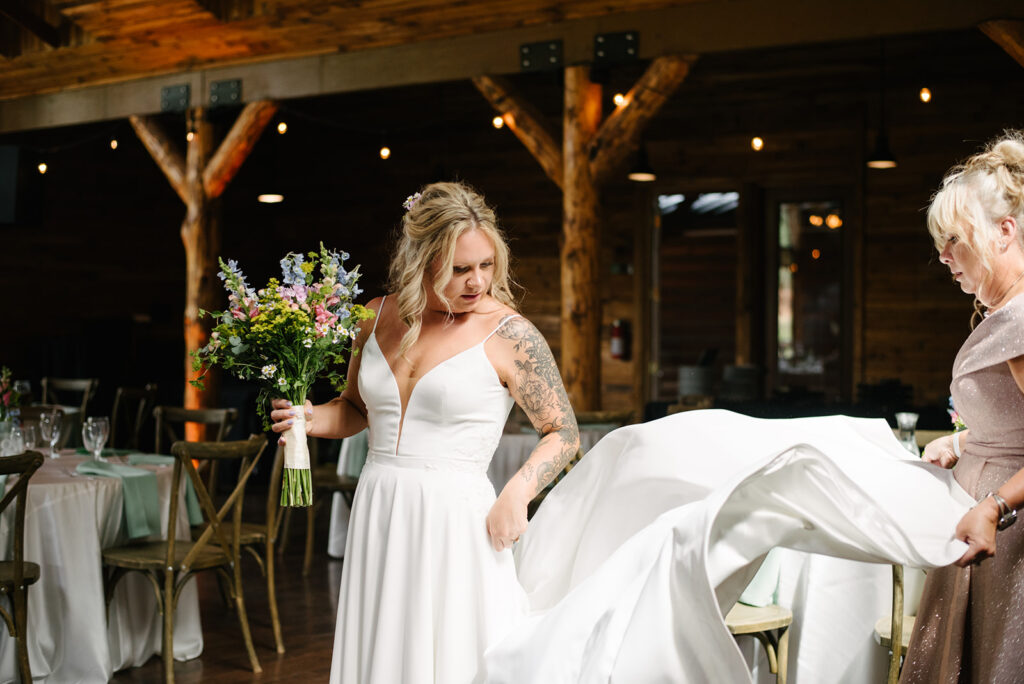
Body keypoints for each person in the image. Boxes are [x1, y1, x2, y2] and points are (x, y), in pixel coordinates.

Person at [270, 181, 580, 684]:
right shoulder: (373, 316)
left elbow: (563, 432)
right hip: (380, 508)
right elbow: (355, 409)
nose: (477, 281)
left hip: (456, 522)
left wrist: (517, 494)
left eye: (486, 265)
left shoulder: (511, 334)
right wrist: (309, 419)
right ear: (423, 261)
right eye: (460, 268)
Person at [901, 131, 1024, 683]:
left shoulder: (1020, 323)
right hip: (980, 518)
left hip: (1007, 534)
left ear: (1004, 230)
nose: (944, 255)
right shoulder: (1002, 317)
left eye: (955, 238)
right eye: (939, 242)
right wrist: (961, 442)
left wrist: (995, 505)